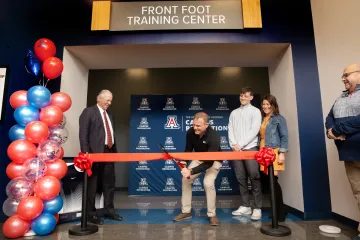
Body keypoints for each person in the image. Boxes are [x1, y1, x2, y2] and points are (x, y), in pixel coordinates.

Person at [325, 63, 360, 240]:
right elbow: (329, 117)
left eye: (347, 75)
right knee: (359, 193)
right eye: (343, 76)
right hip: (349, 155)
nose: (344, 79)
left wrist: (339, 130)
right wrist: (331, 131)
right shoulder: (340, 97)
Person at [79, 89, 123, 225]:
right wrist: (87, 154)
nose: (109, 103)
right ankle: (90, 214)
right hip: (93, 154)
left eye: (110, 101)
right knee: (92, 186)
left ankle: (109, 211)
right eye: (107, 100)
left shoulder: (109, 114)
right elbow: (83, 134)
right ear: (99, 98)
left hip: (109, 153)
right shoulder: (88, 112)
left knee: (109, 184)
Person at [173, 112, 222, 226]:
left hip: (213, 160)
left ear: (206, 125)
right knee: (186, 179)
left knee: (208, 183)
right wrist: (184, 163)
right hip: (199, 158)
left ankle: (212, 215)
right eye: (194, 124)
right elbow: (188, 149)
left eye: (198, 126)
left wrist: (191, 171)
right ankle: (186, 212)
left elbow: (209, 163)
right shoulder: (191, 132)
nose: (195, 128)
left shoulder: (214, 137)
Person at [228, 87, 263, 220]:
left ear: (251, 97)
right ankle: (245, 206)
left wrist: (240, 145)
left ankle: (257, 208)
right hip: (236, 150)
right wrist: (234, 145)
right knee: (241, 178)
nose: (243, 98)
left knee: (254, 177)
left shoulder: (255, 111)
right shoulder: (234, 113)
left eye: (245, 95)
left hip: (250, 149)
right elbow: (230, 129)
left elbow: (254, 130)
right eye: (241, 95)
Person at [259, 94, 288, 222]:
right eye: (264, 104)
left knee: (273, 181)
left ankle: (280, 212)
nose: (265, 106)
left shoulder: (279, 118)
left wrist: (282, 153)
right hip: (263, 152)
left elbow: (284, 136)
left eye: (268, 104)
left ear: (273, 105)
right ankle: (276, 211)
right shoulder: (263, 118)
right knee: (268, 182)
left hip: (274, 151)